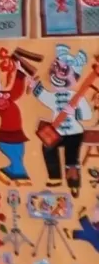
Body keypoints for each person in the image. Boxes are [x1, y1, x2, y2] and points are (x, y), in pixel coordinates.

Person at [30, 45, 92, 195]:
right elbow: (44, 96)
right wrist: (34, 86)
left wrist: (75, 111)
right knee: (48, 148)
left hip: (74, 134)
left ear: (74, 77)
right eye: (57, 70)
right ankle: (55, 176)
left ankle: (74, 183)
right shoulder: (55, 96)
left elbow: (87, 114)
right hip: (57, 132)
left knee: (71, 158)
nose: (58, 74)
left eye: (64, 71)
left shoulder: (76, 97)